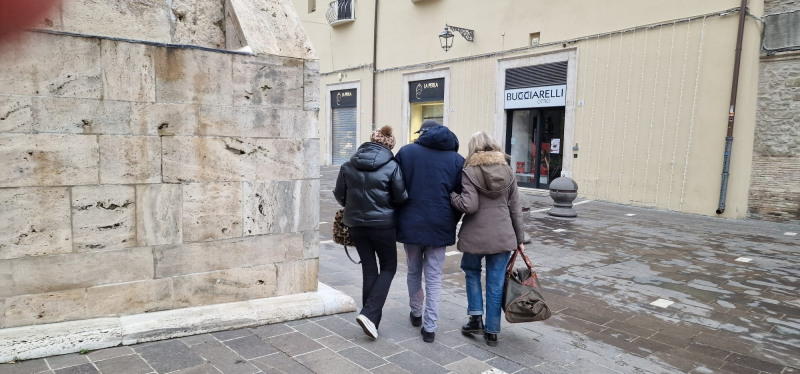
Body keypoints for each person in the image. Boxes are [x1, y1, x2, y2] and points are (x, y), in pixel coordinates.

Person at [450, 131, 525, 347]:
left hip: (475, 234)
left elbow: (469, 205)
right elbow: (515, 208)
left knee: (472, 272)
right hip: (503, 234)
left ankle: (475, 318)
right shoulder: (508, 171)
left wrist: (452, 196)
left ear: (474, 148)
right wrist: (519, 238)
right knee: (496, 281)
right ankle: (492, 331)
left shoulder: (469, 171)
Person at [333, 126, 408, 339]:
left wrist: (355, 205)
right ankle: (369, 314)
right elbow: (401, 196)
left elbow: (340, 195)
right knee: (389, 267)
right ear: (390, 144)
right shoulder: (392, 165)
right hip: (383, 225)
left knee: (369, 268)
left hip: (355, 224)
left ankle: (370, 319)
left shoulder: (348, 164)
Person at [395, 120, 465, 343]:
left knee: (414, 271)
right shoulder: (457, 160)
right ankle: (430, 327)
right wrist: (450, 220)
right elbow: (460, 197)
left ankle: (416, 313)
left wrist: (400, 214)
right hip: (440, 224)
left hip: (411, 222)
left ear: (423, 134)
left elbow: (394, 187)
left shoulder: (406, 152)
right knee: (434, 277)